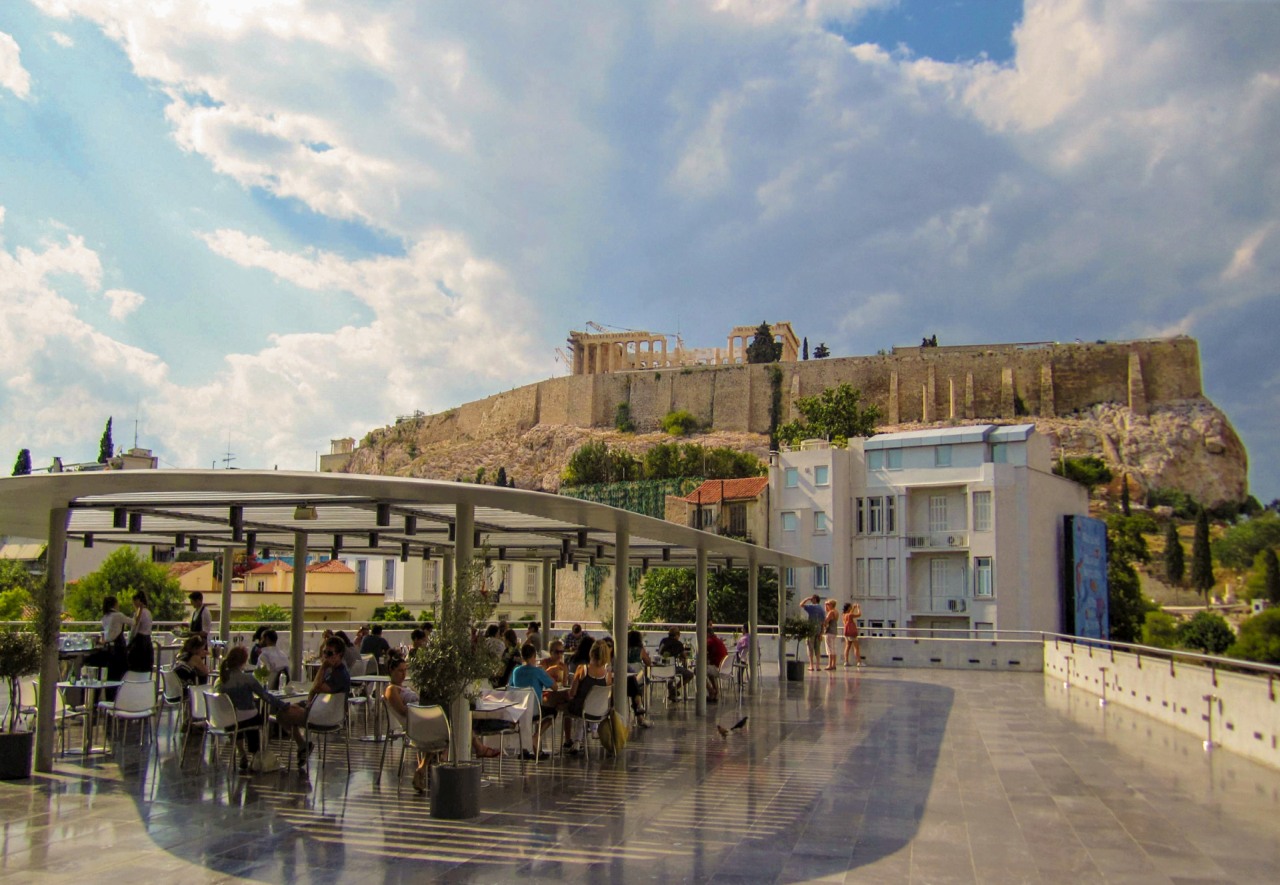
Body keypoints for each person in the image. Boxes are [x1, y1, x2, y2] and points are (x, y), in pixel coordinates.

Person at [275, 636, 352, 768]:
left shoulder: (339, 675)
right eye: (324, 653)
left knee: (282, 715)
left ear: (339, 655)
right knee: (288, 710)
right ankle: (303, 745)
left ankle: (302, 745)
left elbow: (316, 687)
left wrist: (323, 667)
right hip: (320, 709)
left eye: (330, 653)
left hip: (323, 716)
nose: (326, 656)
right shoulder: (335, 671)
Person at [215, 645, 289, 771]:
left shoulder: (220, 681)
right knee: (257, 718)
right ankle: (256, 753)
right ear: (244, 661)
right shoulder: (247, 679)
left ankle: (242, 752)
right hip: (245, 718)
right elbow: (266, 697)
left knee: (237, 720)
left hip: (226, 720)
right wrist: (283, 705)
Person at [383, 653, 432, 792]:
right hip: (414, 725)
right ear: (391, 670)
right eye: (400, 670)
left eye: (405, 670)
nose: (404, 674)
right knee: (446, 731)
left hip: (422, 720)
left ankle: (424, 768)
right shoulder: (391, 689)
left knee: (448, 728)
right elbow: (403, 711)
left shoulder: (406, 687)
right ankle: (425, 769)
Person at [508, 642, 558, 758]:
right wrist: (546, 673)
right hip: (535, 710)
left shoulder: (516, 671)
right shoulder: (538, 671)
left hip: (519, 709)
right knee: (553, 712)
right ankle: (536, 736)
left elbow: (510, 686)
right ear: (534, 656)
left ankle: (526, 748)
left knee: (528, 717)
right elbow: (555, 687)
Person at [564, 639, 612, 755]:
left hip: (581, 709)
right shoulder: (607, 675)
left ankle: (574, 741)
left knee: (570, 707)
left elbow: (573, 693)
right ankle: (594, 730)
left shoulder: (582, 669)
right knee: (587, 706)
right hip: (600, 711)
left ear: (591, 652)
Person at [90, 595, 132, 683]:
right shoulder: (118, 615)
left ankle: (109, 693)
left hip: (108, 647)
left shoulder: (105, 617)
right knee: (121, 672)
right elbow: (133, 622)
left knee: (111, 674)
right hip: (119, 647)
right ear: (115, 604)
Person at [657, 627, 694, 700]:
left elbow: (660, 653)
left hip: (660, 668)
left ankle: (672, 692)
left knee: (671, 675)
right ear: (677, 635)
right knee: (690, 675)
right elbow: (684, 656)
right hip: (672, 669)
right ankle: (674, 690)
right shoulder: (678, 644)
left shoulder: (663, 641)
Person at [625, 630, 651, 726]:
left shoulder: (624, 649)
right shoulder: (640, 650)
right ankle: (640, 711)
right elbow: (648, 663)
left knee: (633, 687)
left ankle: (638, 711)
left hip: (624, 680)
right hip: (638, 679)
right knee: (643, 684)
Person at [126, 590, 154, 674]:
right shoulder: (148, 612)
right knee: (145, 667)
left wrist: (129, 643)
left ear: (137, 601)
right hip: (147, 641)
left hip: (139, 642)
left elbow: (134, 629)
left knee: (136, 667)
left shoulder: (139, 613)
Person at [801, 594, 826, 671]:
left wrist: (807, 598)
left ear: (815, 599)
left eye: (812, 599)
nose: (811, 600)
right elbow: (823, 622)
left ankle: (811, 665)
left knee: (810, 647)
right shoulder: (822, 609)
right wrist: (822, 633)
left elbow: (801, 604)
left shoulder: (812, 607)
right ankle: (818, 665)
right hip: (818, 630)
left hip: (811, 630)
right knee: (817, 649)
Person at [704, 628, 728, 703]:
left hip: (718, 668)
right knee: (708, 670)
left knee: (698, 671)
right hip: (725, 669)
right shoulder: (718, 640)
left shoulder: (709, 641)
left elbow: (701, 652)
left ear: (707, 634)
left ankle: (711, 691)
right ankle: (715, 691)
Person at [842, 602, 863, 668]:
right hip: (852, 633)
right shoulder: (850, 615)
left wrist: (853, 608)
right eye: (850, 607)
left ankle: (846, 661)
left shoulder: (844, 615)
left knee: (847, 647)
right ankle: (859, 662)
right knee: (856, 647)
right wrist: (858, 608)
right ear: (848, 608)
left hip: (846, 633)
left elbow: (850, 614)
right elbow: (859, 614)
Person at [822, 599, 839, 671]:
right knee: (833, 649)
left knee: (829, 649)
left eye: (828, 604)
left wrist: (824, 624)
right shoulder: (836, 612)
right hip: (834, 631)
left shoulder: (831, 612)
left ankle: (830, 664)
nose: (827, 606)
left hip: (829, 632)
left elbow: (826, 621)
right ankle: (834, 664)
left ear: (831, 605)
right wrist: (826, 606)